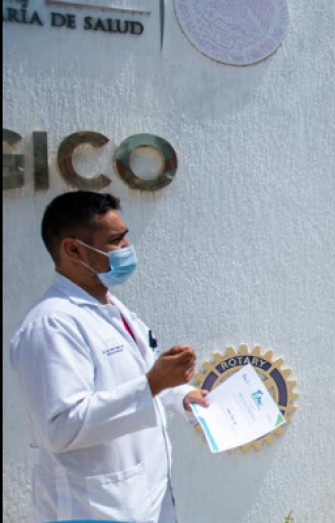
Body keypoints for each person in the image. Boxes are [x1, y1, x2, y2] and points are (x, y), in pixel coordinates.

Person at [10, 191, 209, 523]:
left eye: (126, 235)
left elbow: (144, 376)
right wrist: (152, 384)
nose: (128, 247)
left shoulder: (113, 308)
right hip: (89, 509)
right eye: (116, 241)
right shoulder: (52, 324)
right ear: (72, 249)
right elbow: (60, 428)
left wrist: (182, 394)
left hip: (143, 502)